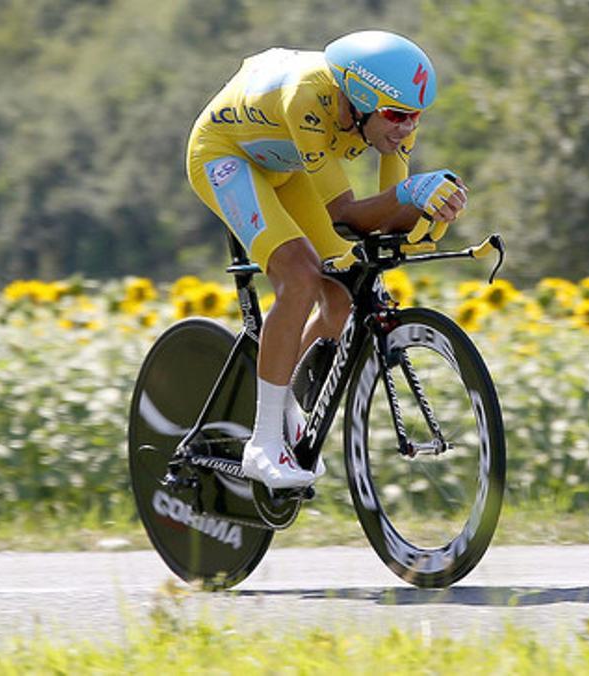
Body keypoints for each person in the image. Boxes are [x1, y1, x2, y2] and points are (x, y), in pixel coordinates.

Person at [185, 30, 468, 489]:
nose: (406, 128)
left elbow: (385, 216)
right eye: (396, 116)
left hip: (284, 165)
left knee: (343, 294)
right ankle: (261, 442)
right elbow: (348, 217)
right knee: (298, 278)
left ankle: (284, 409)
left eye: (415, 118)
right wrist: (412, 195)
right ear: (357, 101)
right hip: (225, 157)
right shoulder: (308, 100)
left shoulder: (388, 118)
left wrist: (425, 214)